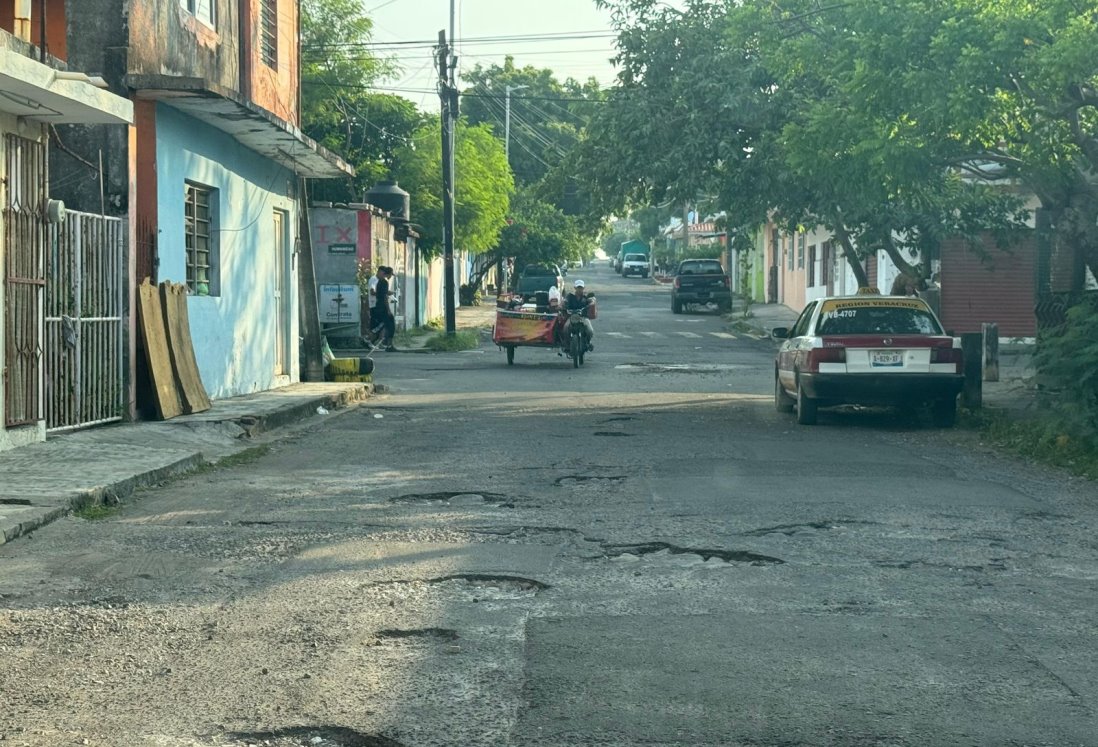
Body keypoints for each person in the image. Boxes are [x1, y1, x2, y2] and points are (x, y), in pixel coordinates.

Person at [561, 278, 595, 351]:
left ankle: (588, 343)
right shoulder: (570, 296)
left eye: (581, 288)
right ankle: (567, 345)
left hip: (583, 317)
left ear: (583, 288)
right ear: (575, 288)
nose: (579, 289)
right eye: (578, 288)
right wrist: (562, 305)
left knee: (590, 331)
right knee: (565, 328)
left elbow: (591, 301)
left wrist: (592, 303)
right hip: (572, 317)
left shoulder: (585, 297)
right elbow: (564, 301)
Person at [372, 266, 397, 351]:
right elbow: (384, 297)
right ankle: (389, 345)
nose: (391, 277)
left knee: (383, 324)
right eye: (391, 275)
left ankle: (385, 343)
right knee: (391, 325)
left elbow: (382, 293)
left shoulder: (380, 282)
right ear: (388, 274)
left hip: (379, 305)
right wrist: (388, 309)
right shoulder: (385, 282)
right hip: (383, 307)